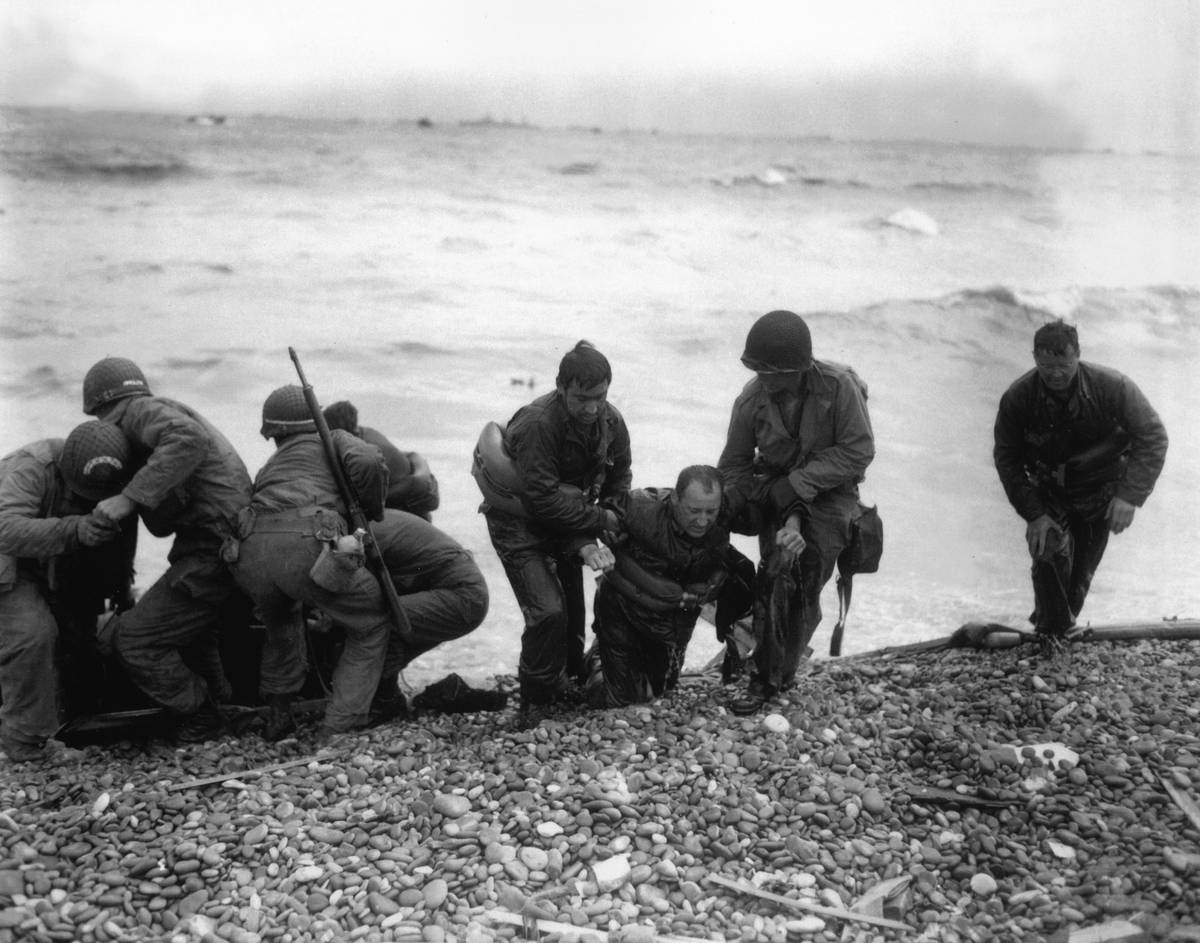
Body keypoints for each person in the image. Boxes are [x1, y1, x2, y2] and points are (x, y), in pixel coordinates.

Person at [82, 357, 252, 742]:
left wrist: (127, 499)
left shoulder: (140, 412)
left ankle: (202, 713)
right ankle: (222, 705)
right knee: (194, 632)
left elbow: (188, 439)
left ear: (101, 408)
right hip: (218, 543)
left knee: (134, 641)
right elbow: (165, 520)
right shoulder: (158, 414)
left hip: (214, 547)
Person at [718, 310, 875, 714]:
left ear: (801, 368)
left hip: (830, 496)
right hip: (775, 488)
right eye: (759, 371)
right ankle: (764, 656)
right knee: (773, 573)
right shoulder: (752, 399)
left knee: (804, 578)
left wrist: (800, 486)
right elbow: (733, 465)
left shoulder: (839, 388)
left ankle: (772, 676)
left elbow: (859, 451)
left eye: (775, 373)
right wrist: (743, 501)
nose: (765, 381)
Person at [231, 384, 393, 740]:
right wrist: (370, 510)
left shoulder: (272, 464)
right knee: (371, 620)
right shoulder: (331, 438)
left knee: (281, 628)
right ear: (315, 418)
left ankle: (278, 718)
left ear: (274, 433)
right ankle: (339, 728)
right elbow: (369, 460)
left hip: (250, 552)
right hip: (306, 545)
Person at [993, 320, 1168, 650]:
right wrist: (1033, 514)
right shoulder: (1018, 397)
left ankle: (1055, 630)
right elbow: (1007, 459)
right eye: (1046, 366)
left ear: (1078, 355)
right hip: (1050, 490)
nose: (1055, 374)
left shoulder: (1113, 387)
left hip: (1101, 489)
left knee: (1079, 580)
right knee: (1047, 551)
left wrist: (1129, 497)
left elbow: (1153, 437)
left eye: (1063, 365)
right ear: (1034, 358)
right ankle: (1051, 633)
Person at [478, 340, 632, 712]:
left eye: (600, 396)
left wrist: (612, 512)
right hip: (519, 522)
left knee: (574, 615)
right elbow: (542, 500)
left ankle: (569, 680)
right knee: (547, 612)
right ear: (561, 388)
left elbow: (620, 474)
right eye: (582, 398)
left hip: (570, 521)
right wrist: (598, 522)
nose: (592, 407)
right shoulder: (537, 424)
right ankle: (534, 700)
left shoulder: (610, 420)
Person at [0, 421, 138, 763]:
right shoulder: (31, 467)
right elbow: (5, 529)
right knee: (32, 632)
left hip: (47, 557)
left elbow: (122, 529)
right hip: (7, 554)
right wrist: (75, 529)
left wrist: (120, 584)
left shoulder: (114, 477)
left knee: (78, 633)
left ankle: (67, 710)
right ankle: (25, 742)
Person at [585, 465, 751, 708]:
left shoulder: (724, 517)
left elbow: (759, 515)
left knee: (660, 688)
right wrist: (597, 544)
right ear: (675, 498)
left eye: (710, 511)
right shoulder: (640, 507)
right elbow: (594, 518)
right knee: (616, 698)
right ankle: (598, 658)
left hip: (673, 620)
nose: (702, 520)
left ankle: (621, 662)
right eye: (693, 510)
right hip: (623, 610)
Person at [323, 401, 440, 521]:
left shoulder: (365, 450)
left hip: (407, 507)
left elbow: (368, 496)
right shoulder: (364, 433)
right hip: (410, 495)